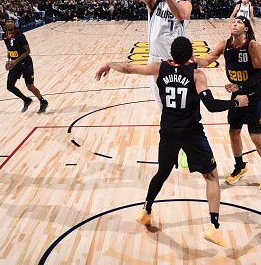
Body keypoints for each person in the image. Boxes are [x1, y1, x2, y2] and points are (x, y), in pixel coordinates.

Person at [95, 37, 248, 246]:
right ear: (189, 55)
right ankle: (214, 226)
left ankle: (146, 210)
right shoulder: (197, 75)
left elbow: (130, 68)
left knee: (163, 171)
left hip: (167, 131)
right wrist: (236, 103)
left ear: (171, 54)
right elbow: (211, 105)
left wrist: (109, 64)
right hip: (191, 132)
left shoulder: (159, 68)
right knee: (211, 176)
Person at [194, 16, 261, 191]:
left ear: (246, 28)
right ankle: (240, 166)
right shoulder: (225, 44)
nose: (235, 24)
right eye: (234, 22)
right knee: (234, 132)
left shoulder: (253, 45)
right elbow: (207, 60)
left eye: (239, 22)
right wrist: (190, 58)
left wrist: (240, 85)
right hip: (237, 95)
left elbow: (260, 74)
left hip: (254, 95)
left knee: (255, 136)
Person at [120, 0, 192, 106]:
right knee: (161, 108)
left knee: (178, 108)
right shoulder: (154, 1)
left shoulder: (185, 4)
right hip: (155, 61)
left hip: (177, 63)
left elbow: (180, 15)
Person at [3, 18, 48, 113]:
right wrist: (8, 60)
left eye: (11, 22)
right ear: (5, 24)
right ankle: (26, 100)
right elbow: (9, 49)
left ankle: (43, 101)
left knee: (30, 86)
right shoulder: (4, 35)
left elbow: (28, 51)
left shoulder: (20, 35)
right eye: (8, 22)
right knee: (10, 86)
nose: (10, 23)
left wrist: (15, 61)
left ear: (14, 24)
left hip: (26, 63)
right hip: (15, 63)